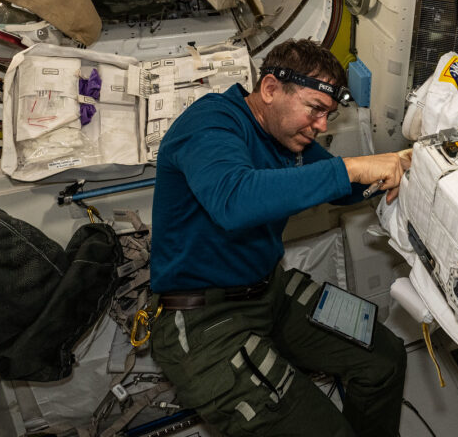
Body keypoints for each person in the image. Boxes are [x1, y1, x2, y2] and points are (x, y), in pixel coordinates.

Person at [148, 39, 410, 437]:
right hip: (203, 320)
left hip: (270, 292)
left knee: (385, 359)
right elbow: (234, 199)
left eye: (329, 115)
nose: (321, 126)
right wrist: (354, 168)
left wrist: (400, 169)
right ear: (270, 89)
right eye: (315, 110)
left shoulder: (288, 137)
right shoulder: (211, 123)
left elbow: (343, 186)